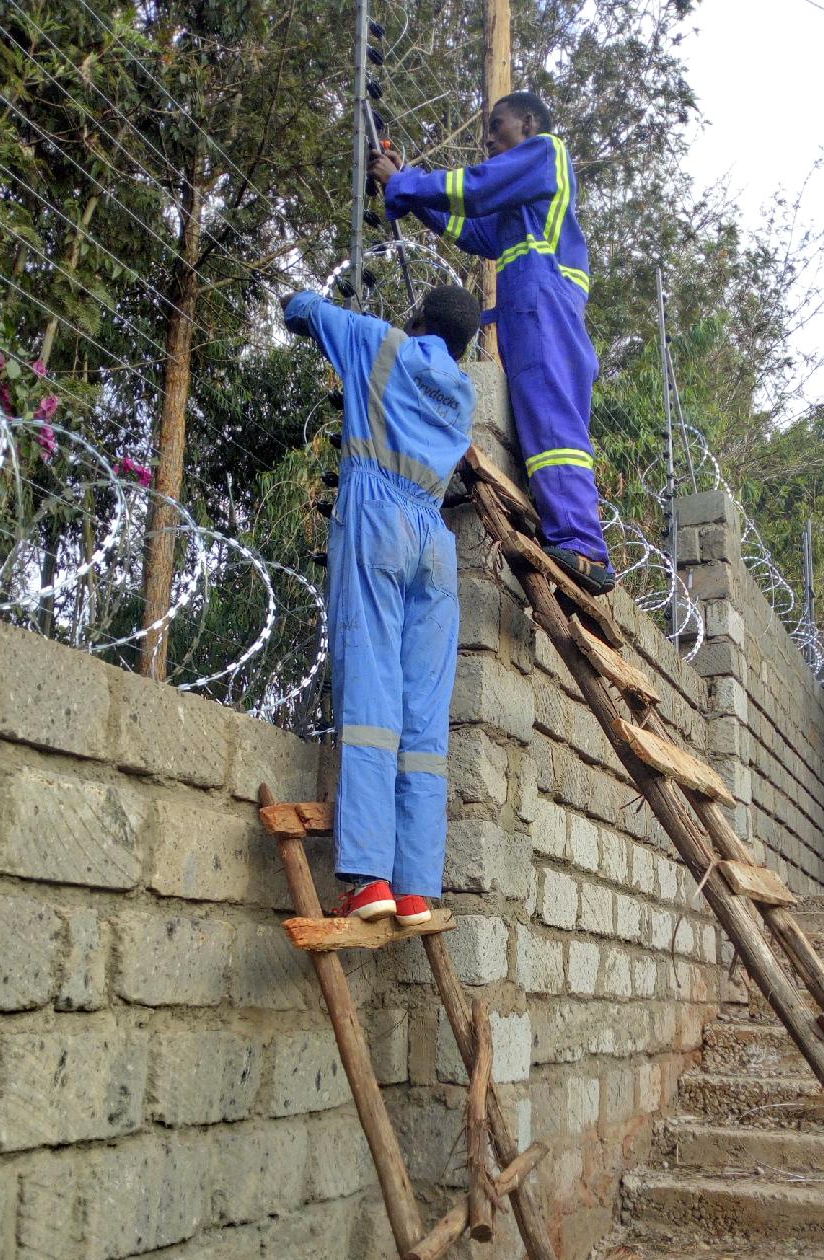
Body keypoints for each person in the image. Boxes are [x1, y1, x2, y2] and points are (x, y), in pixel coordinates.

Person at [282, 283, 481, 924]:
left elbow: (302, 311)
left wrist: (329, 307)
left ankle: (369, 878)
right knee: (422, 713)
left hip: (378, 516)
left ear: (418, 317)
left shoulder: (379, 344)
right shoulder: (466, 393)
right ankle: (416, 885)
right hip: (434, 541)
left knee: (371, 691)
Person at [368, 90, 615, 597]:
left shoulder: (547, 152)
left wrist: (407, 181)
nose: (486, 138)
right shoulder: (518, 206)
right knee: (541, 428)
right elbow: (467, 226)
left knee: (555, 427)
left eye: (495, 125)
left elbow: (475, 188)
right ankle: (569, 537)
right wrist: (408, 186)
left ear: (528, 123)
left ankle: (585, 550)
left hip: (547, 307)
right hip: (529, 315)